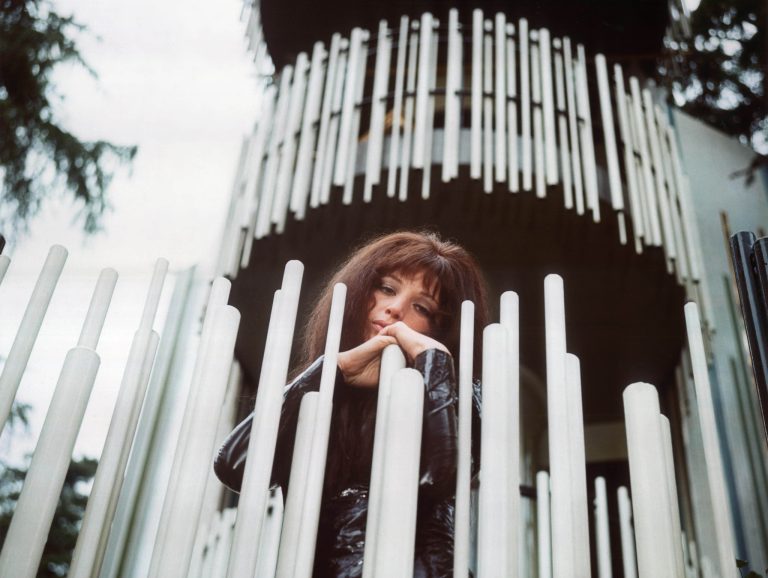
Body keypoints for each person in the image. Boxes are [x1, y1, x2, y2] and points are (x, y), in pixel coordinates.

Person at [214, 230, 489, 577]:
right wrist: (335, 369)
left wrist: (434, 362)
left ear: (437, 330)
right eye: (387, 288)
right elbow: (235, 466)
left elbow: (439, 477)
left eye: (422, 307)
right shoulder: (321, 393)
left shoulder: (458, 396)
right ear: (361, 291)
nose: (396, 308)